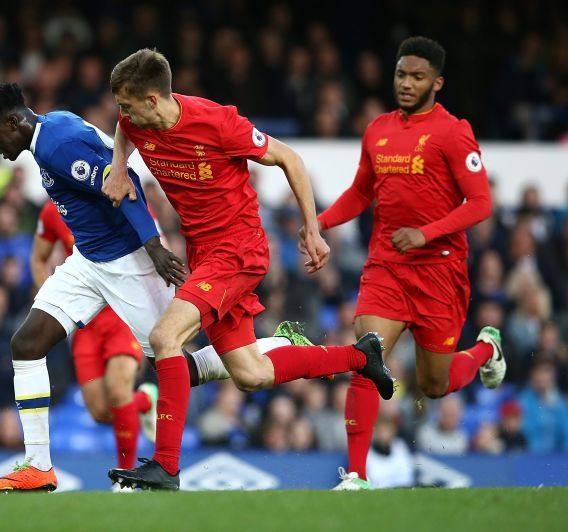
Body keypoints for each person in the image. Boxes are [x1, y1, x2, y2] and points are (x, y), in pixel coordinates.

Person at [0, 83, 319, 493]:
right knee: (26, 344)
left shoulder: (57, 146)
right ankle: (38, 467)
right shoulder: (55, 122)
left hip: (128, 263)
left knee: (177, 366)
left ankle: (275, 347)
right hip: (88, 260)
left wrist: (152, 247)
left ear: (12, 122)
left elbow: (123, 182)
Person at [103, 48, 394, 490]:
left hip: (238, 250)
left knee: (165, 337)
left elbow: (290, 159)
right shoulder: (134, 122)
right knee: (251, 374)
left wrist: (314, 231)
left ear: (153, 99)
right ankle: (361, 356)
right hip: (204, 254)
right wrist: (118, 167)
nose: (121, 114)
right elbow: (122, 132)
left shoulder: (218, 123)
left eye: (127, 105)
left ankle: (166, 466)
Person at [312, 36, 504, 489]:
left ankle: (485, 350)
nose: (406, 83)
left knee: (434, 385)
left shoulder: (454, 132)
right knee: (366, 353)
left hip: (440, 269)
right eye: (401, 74)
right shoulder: (377, 128)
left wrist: (426, 232)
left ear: (437, 82)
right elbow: (361, 192)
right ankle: (356, 475)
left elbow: (480, 203)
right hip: (387, 266)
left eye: (417, 76)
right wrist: (317, 222)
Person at [32, 200, 159, 478]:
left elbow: (157, 244)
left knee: (117, 390)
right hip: (85, 322)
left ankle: (126, 476)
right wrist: (51, 301)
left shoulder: (123, 197)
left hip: (124, 315)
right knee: (101, 412)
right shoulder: (54, 210)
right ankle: (145, 402)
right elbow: (38, 258)